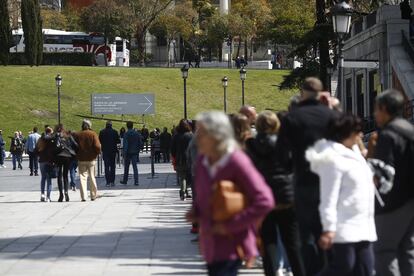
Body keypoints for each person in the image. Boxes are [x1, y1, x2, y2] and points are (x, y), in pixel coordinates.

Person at [187, 111, 274, 276]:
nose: (197, 137)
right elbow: (203, 194)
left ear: (217, 135)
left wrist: (231, 225)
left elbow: (264, 200)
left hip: (233, 241)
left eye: (203, 133)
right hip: (209, 243)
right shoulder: (202, 161)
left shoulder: (236, 161)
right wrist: (196, 212)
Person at [275, 77, 338, 274]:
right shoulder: (332, 116)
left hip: (304, 179)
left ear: (302, 93)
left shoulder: (292, 118)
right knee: (328, 228)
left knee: (306, 234)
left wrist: (291, 168)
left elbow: (281, 154)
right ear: (321, 94)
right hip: (331, 180)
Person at [306, 113, 377, 276]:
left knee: (365, 269)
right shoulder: (334, 160)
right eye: (358, 131)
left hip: (364, 225)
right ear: (348, 132)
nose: (361, 134)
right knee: (342, 267)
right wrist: (329, 228)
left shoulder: (354, 155)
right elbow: (328, 197)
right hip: (345, 226)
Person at [246, 111, 305, 276]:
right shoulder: (285, 143)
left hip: (263, 198)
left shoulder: (251, 145)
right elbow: (295, 166)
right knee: (293, 244)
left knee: (268, 242)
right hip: (286, 195)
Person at [370, 89, 414, 276]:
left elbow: (383, 173)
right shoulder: (410, 130)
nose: (374, 114)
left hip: (393, 203)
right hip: (411, 201)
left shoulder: (388, 135)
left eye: (376, 109)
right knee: (407, 251)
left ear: (384, 108)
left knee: (384, 251)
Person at [74, 120, 101, 201]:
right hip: (91, 158)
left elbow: (74, 147)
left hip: (81, 159)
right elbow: (97, 146)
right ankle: (93, 195)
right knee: (92, 176)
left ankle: (84, 196)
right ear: (89, 126)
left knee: (82, 177)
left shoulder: (78, 135)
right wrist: (97, 153)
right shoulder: (93, 134)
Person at [171, 119, 193, 200]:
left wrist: (174, 156)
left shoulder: (176, 136)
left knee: (182, 177)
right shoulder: (191, 135)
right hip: (189, 159)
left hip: (179, 159)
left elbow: (172, 149)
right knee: (188, 176)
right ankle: (185, 191)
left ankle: (183, 192)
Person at [36, 127, 55, 202]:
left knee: (43, 178)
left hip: (42, 160)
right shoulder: (52, 139)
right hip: (49, 161)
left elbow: (36, 149)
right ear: (50, 132)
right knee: (49, 179)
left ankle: (42, 194)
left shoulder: (40, 139)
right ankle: (48, 197)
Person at [99, 121, 120, 187]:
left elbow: (99, 140)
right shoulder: (115, 132)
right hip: (113, 151)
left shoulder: (102, 132)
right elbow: (118, 141)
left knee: (106, 167)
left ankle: (107, 182)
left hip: (105, 151)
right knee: (113, 167)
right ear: (111, 125)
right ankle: (112, 181)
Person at [120, 121, 142, 186]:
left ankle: (125, 180)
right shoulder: (136, 133)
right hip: (135, 152)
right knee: (135, 167)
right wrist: (138, 150)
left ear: (127, 126)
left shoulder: (126, 134)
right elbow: (140, 143)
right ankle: (136, 181)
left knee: (126, 167)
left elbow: (125, 144)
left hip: (128, 152)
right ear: (132, 126)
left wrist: (124, 153)